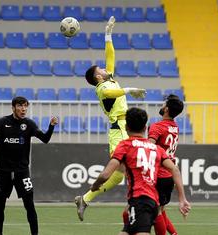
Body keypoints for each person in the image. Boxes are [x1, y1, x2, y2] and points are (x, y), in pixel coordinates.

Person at [75, 16, 146, 221]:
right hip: (118, 130)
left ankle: (85, 199)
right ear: (98, 77)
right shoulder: (102, 88)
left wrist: (108, 35)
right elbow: (110, 95)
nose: (106, 70)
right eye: (102, 70)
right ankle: (137, 202)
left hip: (127, 126)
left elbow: (110, 57)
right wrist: (128, 90)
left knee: (119, 173)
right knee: (125, 168)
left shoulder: (110, 79)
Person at [90, 107, 191, 235]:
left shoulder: (125, 145)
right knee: (126, 223)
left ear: (126, 127)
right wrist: (182, 199)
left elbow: (105, 174)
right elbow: (175, 169)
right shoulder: (156, 148)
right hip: (152, 201)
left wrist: (95, 186)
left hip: (140, 199)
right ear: (145, 128)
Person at [0, 96, 58, 235]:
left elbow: (45, 139)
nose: (23, 109)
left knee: (30, 206)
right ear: (13, 107)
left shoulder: (29, 124)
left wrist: (51, 126)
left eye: (25, 106)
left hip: (22, 172)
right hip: (3, 173)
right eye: (20, 106)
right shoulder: (3, 122)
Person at [148, 94, 184, 235]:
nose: (162, 106)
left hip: (158, 174)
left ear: (167, 109)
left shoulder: (157, 127)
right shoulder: (175, 127)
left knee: (155, 211)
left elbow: (149, 148)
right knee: (160, 209)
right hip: (169, 175)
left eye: (164, 104)